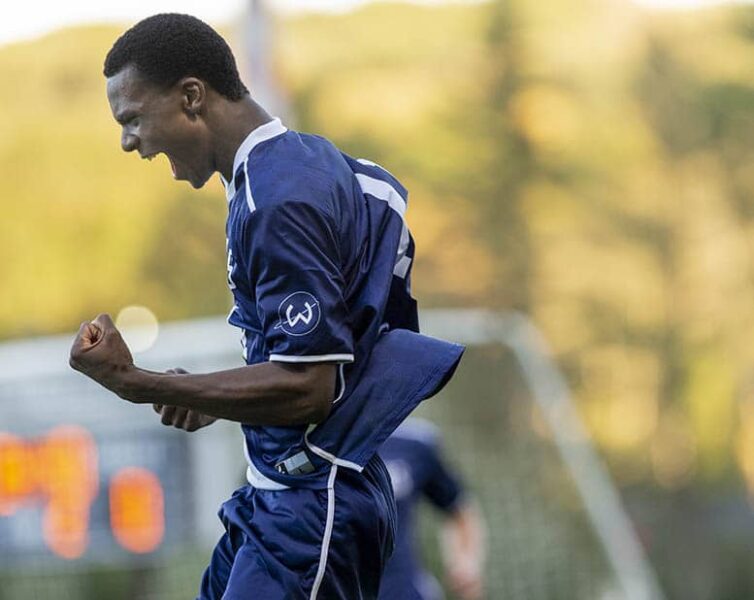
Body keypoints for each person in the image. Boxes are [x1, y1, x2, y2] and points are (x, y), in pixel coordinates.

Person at [67, 13, 464, 600]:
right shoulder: (289, 167)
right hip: (277, 494)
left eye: (132, 119)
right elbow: (311, 358)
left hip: (314, 503)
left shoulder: (278, 198)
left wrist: (139, 382)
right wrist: (203, 393)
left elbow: (308, 388)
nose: (129, 142)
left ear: (192, 96)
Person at [379, 419, 485, 600]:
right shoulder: (327, 441)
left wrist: (466, 562)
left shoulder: (412, 443)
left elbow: (459, 509)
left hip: (404, 591)